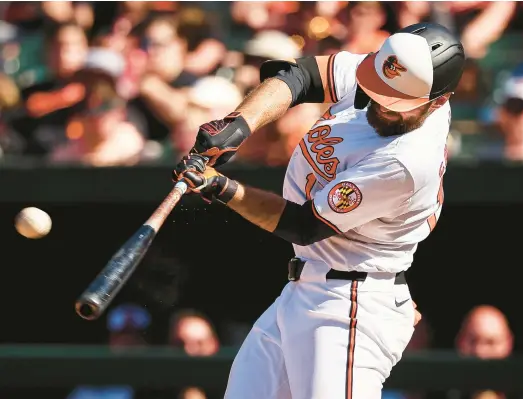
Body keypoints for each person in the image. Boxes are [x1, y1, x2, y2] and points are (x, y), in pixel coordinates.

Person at [173, 22, 465, 399]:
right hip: (305, 288)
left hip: (349, 306)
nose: (380, 104)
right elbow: (301, 75)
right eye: (378, 91)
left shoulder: (407, 161)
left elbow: (303, 224)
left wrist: (220, 186)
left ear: (439, 100)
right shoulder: (397, 73)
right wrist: (238, 125)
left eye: (394, 104)